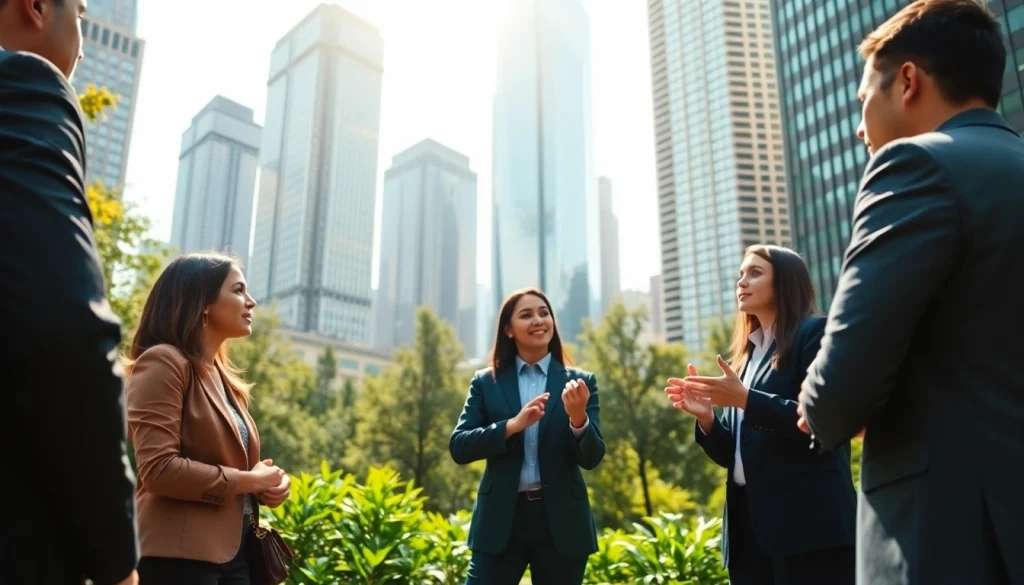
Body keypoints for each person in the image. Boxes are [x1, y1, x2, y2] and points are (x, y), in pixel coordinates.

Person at [796, 1, 1024, 583]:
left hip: (952, 538)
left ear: (907, 80)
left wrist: (821, 403)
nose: (858, 124)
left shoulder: (914, 165)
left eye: (861, 99)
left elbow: (838, 389)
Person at [0, 0, 140, 583]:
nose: (83, 39)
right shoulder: (26, 84)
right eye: (81, 12)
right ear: (35, 7)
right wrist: (117, 563)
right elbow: (64, 331)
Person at [666, 245, 856, 585]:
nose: (742, 281)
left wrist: (746, 399)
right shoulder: (745, 358)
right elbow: (735, 455)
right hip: (749, 533)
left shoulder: (815, 334)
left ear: (784, 281)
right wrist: (708, 419)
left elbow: (824, 420)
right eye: (740, 274)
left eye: (755, 272)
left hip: (809, 530)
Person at [125, 253, 291, 585]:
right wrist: (248, 481)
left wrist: (268, 485)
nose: (251, 302)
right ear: (203, 303)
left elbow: (237, 473)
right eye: (239, 290)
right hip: (177, 561)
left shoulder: (225, 379)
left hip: (235, 556)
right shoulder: (163, 362)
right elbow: (159, 470)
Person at [450, 288, 605, 585]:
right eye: (526, 315)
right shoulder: (486, 382)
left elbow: (592, 458)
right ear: (508, 330)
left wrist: (578, 418)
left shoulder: (581, 382)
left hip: (561, 523)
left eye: (544, 313)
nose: (538, 320)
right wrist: (512, 425)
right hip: (500, 522)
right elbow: (460, 446)